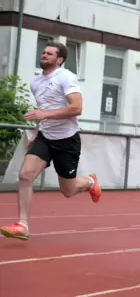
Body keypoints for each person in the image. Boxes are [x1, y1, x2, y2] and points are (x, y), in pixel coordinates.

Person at [0, 41, 102, 241]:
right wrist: (37, 131)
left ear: (60, 59)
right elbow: (44, 110)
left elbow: (76, 108)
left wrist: (43, 115)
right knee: (25, 174)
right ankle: (22, 225)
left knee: (68, 190)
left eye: (49, 53)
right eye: (43, 52)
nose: (44, 55)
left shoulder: (66, 77)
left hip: (67, 141)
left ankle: (90, 182)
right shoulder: (36, 83)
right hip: (45, 138)